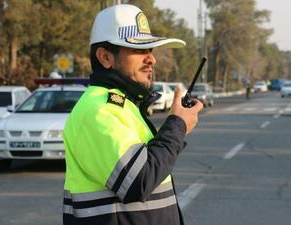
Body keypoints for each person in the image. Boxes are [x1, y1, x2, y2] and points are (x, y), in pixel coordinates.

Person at [62, 4, 203, 225]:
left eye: (150, 50)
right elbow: (138, 181)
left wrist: (177, 126)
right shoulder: (99, 110)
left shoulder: (124, 106)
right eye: (138, 50)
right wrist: (177, 125)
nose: (151, 59)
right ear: (105, 57)